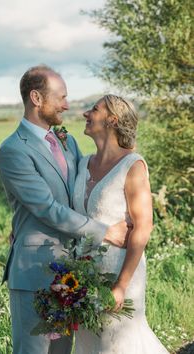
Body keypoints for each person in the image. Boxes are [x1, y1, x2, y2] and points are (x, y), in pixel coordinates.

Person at [0, 66, 129, 354]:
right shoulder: (13, 150)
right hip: (34, 271)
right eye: (62, 97)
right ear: (36, 98)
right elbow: (47, 208)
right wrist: (105, 232)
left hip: (73, 273)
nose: (67, 105)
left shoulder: (65, 142)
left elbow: (82, 190)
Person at [73, 94, 169, 354]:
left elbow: (143, 227)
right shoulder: (82, 164)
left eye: (93, 109)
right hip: (81, 276)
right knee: (88, 344)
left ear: (112, 120)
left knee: (118, 344)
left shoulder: (132, 165)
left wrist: (121, 286)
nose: (85, 114)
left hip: (118, 273)